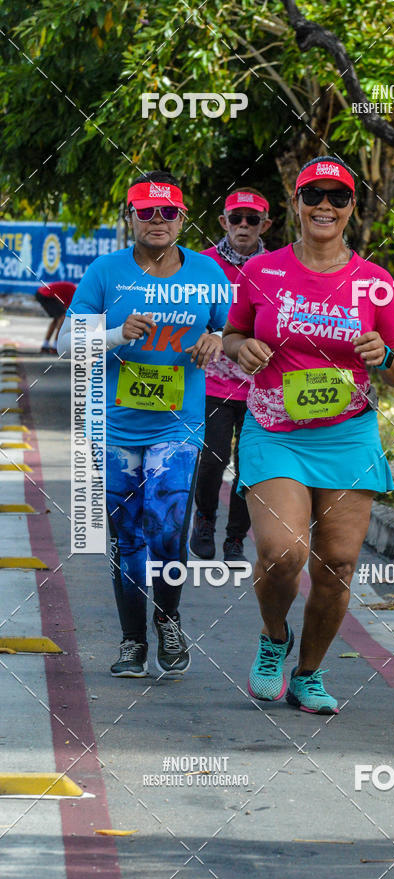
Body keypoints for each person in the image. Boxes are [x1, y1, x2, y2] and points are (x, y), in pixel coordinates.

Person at [223, 156, 394, 714]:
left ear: (352, 207)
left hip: (346, 435)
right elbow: (235, 334)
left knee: (336, 566)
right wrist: (243, 349)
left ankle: (308, 673)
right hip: (274, 429)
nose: (325, 207)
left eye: (338, 198)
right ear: (297, 203)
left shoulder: (374, 284)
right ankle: (274, 639)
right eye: (315, 197)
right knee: (283, 552)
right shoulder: (262, 273)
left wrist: (384, 356)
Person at [58, 171, 231, 677]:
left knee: (167, 530)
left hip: (177, 427)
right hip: (113, 431)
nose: (158, 220)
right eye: (146, 211)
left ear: (182, 217)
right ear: (130, 216)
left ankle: (169, 619)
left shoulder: (207, 274)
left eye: (168, 212)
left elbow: (231, 331)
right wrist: (113, 333)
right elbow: (66, 346)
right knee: (126, 537)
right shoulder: (105, 272)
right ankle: (133, 640)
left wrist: (217, 341)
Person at [190, 189, 272, 563]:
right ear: (223, 222)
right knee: (213, 459)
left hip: (261, 385)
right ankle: (204, 519)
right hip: (213, 381)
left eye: (251, 220)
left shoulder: (277, 268)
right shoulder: (201, 265)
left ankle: (236, 538)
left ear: (264, 225)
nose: (243, 226)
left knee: (250, 464)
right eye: (235, 218)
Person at [35, 280, 76, 353]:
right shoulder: (74, 294)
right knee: (62, 318)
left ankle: (45, 345)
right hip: (46, 295)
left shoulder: (73, 290)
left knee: (57, 319)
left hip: (42, 294)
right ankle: (55, 346)